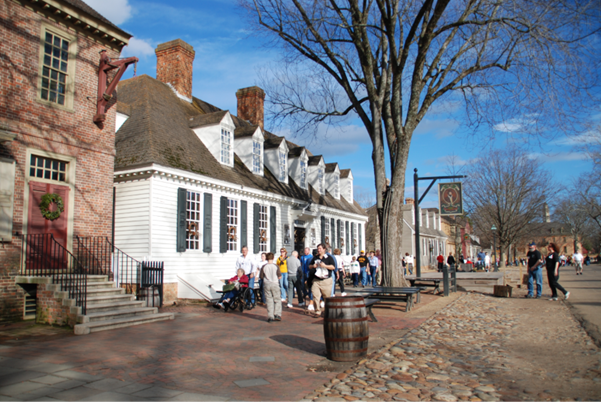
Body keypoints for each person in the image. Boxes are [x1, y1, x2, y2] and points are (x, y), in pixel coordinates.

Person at [308, 243, 336, 317]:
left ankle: (327, 311)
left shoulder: (329, 257)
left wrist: (325, 266)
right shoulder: (315, 257)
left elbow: (333, 267)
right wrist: (313, 266)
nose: (318, 250)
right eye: (318, 248)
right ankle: (317, 311)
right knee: (315, 295)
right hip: (316, 280)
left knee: (326, 297)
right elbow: (309, 266)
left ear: (324, 249)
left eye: (320, 248)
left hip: (326, 280)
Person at [260, 252, 282, 323]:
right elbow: (279, 276)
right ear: (273, 258)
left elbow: (261, 276)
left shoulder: (264, 266)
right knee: (277, 299)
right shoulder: (276, 266)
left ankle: (270, 316)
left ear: (266, 258)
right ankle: (277, 314)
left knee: (269, 300)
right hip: (275, 284)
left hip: (267, 284)